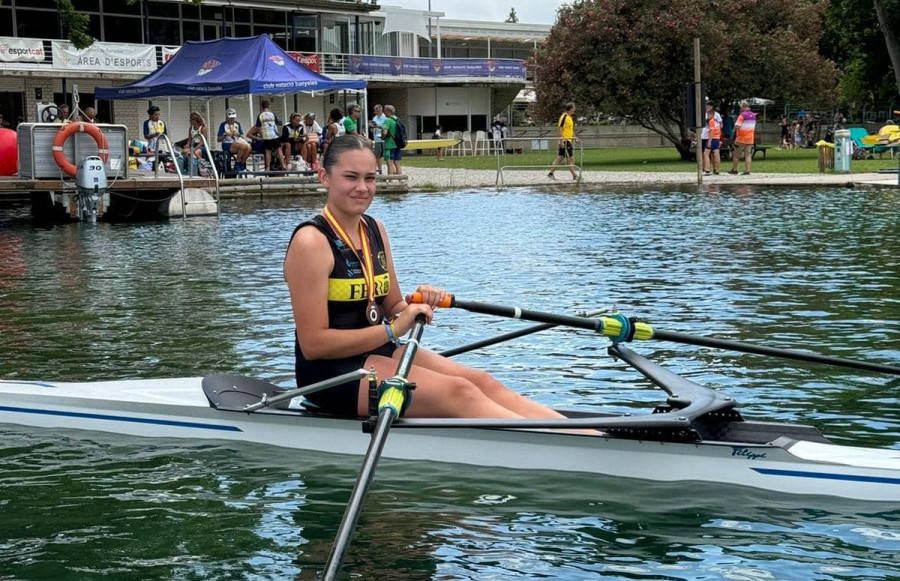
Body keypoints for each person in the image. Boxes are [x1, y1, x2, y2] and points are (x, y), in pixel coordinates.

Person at [283, 134, 576, 422]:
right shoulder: (311, 242)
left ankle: (587, 434)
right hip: (329, 372)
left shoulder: (374, 229)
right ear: (324, 177)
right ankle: (566, 448)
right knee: (459, 391)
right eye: (351, 177)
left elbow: (393, 306)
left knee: (481, 381)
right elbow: (314, 344)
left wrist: (415, 303)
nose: (362, 188)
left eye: (370, 178)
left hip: (380, 352)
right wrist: (393, 330)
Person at [247, 99, 284, 172]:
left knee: (267, 152)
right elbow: (276, 124)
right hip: (274, 135)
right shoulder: (272, 114)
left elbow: (258, 126)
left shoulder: (260, 115)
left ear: (261, 107)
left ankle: (267, 168)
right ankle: (283, 165)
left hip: (266, 136)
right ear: (269, 106)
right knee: (279, 149)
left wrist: (260, 134)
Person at [547, 102, 579, 180]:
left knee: (560, 158)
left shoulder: (569, 118)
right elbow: (560, 129)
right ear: (571, 108)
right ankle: (575, 175)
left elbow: (570, 130)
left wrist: (575, 138)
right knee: (570, 158)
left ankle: (551, 173)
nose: (575, 109)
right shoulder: (564, 117)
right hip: (565, 141)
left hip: (568, 140)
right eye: (574, 108)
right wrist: (561, 141)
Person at [217, 108, 251, 172]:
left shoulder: (237, 124)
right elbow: (218, 139)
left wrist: (238, 134)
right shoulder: (223, 125)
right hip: (227, 144)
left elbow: (241, 136)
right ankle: (237, 164)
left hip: (237, 142)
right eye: (230, 118)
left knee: (249, 148)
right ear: (227, 118)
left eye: (233, 118)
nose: (232, 119)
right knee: (242, 146)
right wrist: (225, 135)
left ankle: (242, 164)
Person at [728, 100, 756, 175]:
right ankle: (747, 170)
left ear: (743, 107)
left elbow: (737, 126)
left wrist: (734, 127)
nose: (740, 109)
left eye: (741, 107)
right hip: (750, 138)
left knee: (736, 154)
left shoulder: (742, 115)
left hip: (741, 138)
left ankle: (735, 169)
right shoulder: (753, 115)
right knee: (748, 155)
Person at [381, 104, 401, 175]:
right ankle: (401, 181)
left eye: (384, 111)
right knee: (397, 164)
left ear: (388, 111)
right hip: (398, 144)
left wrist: (382, 136)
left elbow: (385, 132)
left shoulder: (388, 120)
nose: (383, 112)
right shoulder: (397, 119)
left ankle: (390, 181)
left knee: (389, 163)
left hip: (389, 145)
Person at [702, 102, 722, 174]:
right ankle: (717, 170)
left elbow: (712, 130)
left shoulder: (711, 121)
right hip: (717, 138)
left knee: (706, 153)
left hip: (712, 138)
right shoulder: (716, 123)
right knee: (716, 154)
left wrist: (709, 140)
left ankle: (707, 169)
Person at [369, 104, 387, 174]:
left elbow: (385, 128)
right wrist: (371, 127)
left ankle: (390, 170)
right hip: (376, 139)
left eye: (377, 111)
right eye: (375, 111)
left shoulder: (385, 118)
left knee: (385, 156)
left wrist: (378, 126)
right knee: (377, 155)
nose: (376, 112)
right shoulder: (374, 118)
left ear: (381, 110)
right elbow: (373, 127)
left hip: (382, 139)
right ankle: (380, 170)